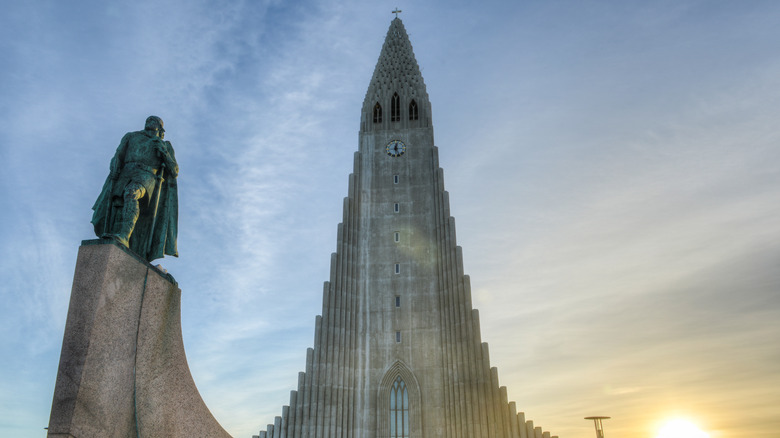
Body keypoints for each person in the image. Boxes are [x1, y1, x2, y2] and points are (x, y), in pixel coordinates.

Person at [91, 116, 179, 261]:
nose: (150, 122)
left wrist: (164, 152)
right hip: (126, 173)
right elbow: (118, 155)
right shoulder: (131, 136)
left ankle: (124, 236)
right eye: (148, 120)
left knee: (131, 193)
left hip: (147, 176)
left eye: (154, 121)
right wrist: (114, 165)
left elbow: (174, 171)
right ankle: (119, 234)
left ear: (160, 128)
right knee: (118, 207)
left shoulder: (164, 145)